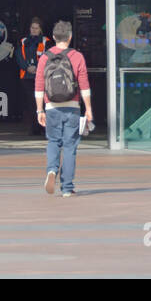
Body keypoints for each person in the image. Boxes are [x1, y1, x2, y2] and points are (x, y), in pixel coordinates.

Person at [34, 21, 92, 197]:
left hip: (51, 107)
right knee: (69, 146)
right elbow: (84, 85)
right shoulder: (77, 56)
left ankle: (52, 170)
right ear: (70, 37)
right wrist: (88, 108)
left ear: (53, 37)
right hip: (72, 107)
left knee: (53, 141)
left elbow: (39, 85)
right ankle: (67, 188)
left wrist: (39, 110)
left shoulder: (45, 57)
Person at [18, 17, 49, 135]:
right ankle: (34, 127)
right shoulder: (23, 41)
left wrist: (38, 68)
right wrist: (27, 67)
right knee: (31, 102)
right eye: (32, 28)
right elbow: (19, 56)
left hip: (41, 76)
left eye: (36, 28)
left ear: (40, 29)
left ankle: (45, 127)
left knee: (44, 102)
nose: (34, 30)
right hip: (27, 77)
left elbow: (47, 56)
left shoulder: (46, 41)